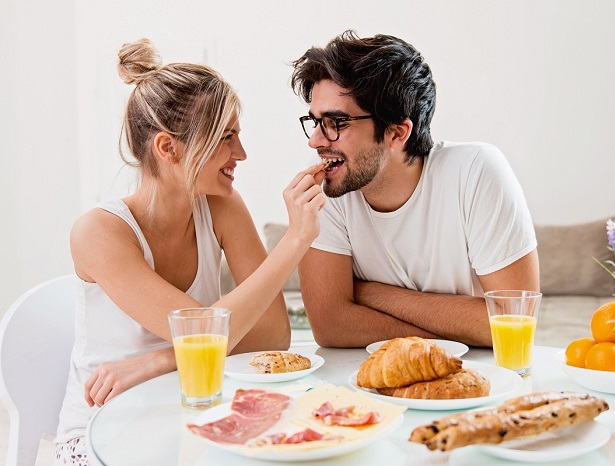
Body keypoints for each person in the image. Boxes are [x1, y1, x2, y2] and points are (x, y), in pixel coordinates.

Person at [53, 39, 326, 465]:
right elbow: (201, 333)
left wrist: (155, 362)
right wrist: (294, 242)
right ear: (168, 148)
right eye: (226, 137)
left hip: (185, 412)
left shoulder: (221, 205)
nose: (241, 153)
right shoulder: (98, 232)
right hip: (100, 429)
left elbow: (273, 336)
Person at [290, 30, 539, 349]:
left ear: (397, 133)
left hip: (477, 380)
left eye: (336, 123)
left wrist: (366, 292)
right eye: (315, 122)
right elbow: (331, 327)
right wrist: (459, 332)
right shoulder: (328, 189)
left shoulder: (476, 171)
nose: (315, 141)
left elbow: (515, 323)